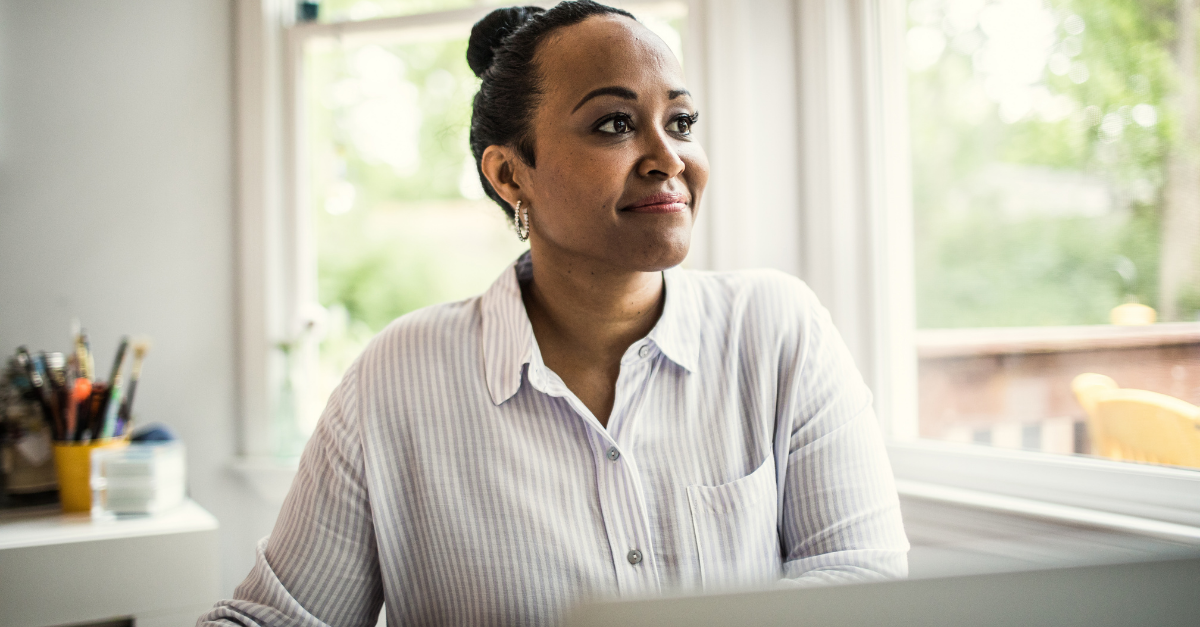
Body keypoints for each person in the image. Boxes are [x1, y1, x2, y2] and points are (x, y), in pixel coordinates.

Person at [199, 2, 908, 625]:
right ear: (510, 174)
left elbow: (861, 584)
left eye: (682, 121)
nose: (669, 157)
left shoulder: (779, 330)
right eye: (615, 123)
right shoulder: (394, 379)